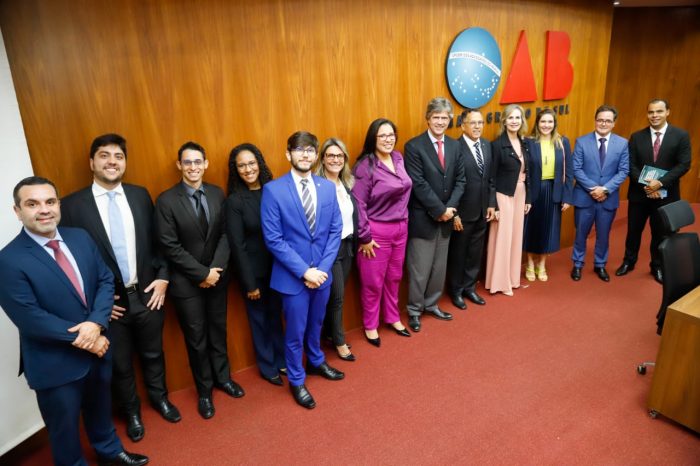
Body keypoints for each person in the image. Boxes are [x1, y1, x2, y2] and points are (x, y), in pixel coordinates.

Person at [0, 176, 148, 466]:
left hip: (99, 349)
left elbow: (106, 281)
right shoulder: (8, 260)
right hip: (54, 363)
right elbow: (29, 317)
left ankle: (109, 451)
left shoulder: (79, 237)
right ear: (17, 211)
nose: (44, 209)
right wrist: (88, 338)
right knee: (64, 429)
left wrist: (95, 324)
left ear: (58, 205)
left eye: (50, 201)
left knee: (100, 410)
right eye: (32, 204)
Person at [60, 134, 179, 442]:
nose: (112, 161)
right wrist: (95, 305)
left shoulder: (141, 195)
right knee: (120, 363)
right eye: (104, 155)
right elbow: (69, 263)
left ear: (125, 162)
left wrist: (163, 278)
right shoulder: (71, 206)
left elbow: (160, 243)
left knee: (154, 354)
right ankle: (132, 413)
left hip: (148, 294)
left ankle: (160, 398)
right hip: (109, 304)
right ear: (92, 162)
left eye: (118, 156)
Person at [155, 141, 244, 420]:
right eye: (187, 162)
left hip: (217, 278)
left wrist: (214, 270)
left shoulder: (218, 194)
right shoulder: (166, 200)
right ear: (180, 166)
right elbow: (169, 246)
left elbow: (226, 235)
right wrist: (201, 273)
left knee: (218, 330)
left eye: (198, 162)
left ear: (205, 164)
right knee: (197, 339)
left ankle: (223, 378)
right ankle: (204, 391)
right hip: (186, 284)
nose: (193, 167)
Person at [261, 131, 344, 409]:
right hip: (292, 278)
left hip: (322, 274)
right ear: (289, 154)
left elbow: (335, 231)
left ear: (315, 155)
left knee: (317, 325)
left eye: (310, 150)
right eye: (299, 149)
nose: (305, 154)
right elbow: (273, 239)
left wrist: (321, 269)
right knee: (295, 332)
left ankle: (317, 362)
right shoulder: (273, 190)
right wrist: (304, 272)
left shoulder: (327, 187)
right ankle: (296, 380)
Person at [225, 143, 286, 385]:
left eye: (251, 163)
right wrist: (249, 284)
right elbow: (237, 246)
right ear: (236, 170)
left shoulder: (274, 191)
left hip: (280, 268)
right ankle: (267, 365)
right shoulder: (234, 202)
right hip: (254, 274)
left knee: (278, 316)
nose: (248, 169)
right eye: (241, 165)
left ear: (259, 163)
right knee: (260, 320)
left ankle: (282, 360)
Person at [404, 97, 465, 332]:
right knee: (419, 269)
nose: (440, 121)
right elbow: (417, 183)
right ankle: (414, 310)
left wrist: (449, 209)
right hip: (424, 218)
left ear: (450, 120)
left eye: (444, 117)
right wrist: (439, 210)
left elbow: (461, 180)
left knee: (439, 267)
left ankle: (432, 304)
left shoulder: (454, 145)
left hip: (447, 217)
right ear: (427, 119)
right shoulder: (414, 146)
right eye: (436, 117)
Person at [615, 99, 691, 283]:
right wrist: (647, 186)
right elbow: (630, 166)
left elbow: (684, 164)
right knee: (633, 231)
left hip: (666, 195)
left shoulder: (680, 136)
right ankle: (628, 262)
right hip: (640, 195)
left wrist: (661, 183)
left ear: (668, 112)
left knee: (660, 233)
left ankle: (657, 266)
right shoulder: (636, 137)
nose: (654, 115)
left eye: (658, 111)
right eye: (651, 112)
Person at [352, 119, 412, 346]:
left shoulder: (398, 157)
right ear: (373, 139)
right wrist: (365, 237)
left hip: (401, 228)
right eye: (382, 136)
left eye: (391, 135)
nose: (388, 139)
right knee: (372, 282)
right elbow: (358, 204)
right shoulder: (365, 166)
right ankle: (370, 325)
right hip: (376, 232)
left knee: (394, 277)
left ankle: (393, 317)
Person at [571, 105, 629, 282]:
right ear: (595, 120)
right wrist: (594, 188)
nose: (603, 123)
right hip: (584, 197)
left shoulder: (622, 143)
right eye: (600, 120)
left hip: (608, 198)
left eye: (608, 121)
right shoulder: (581, 141)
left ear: (613, 123)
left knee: (604, 234)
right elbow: (576, 168)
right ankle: (578, 264)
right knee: (581, 233)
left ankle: (600, 265)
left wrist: (605, 189)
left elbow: (623, 170)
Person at [313, 138, 357, 360]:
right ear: (322, 159)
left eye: (339, 156)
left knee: (338, 295)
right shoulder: (317, 185)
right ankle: (340, 342)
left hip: (348, 244)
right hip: (330, 249)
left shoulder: (346, 183)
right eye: (330, 155)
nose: (335, 160)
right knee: (337, 297)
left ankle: (330, 335)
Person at [447, 108, 495, 309]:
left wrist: (492, 203)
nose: (477, 127)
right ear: (462, 125)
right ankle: (456, 291)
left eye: (480, 122)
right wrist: (454, 213)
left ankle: (469, 288)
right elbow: (450, 184)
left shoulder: (486, 145)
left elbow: (490, 179)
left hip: (483, 210)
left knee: (475, 252)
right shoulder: (455, 148)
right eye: (473, 123)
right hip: (462, 212)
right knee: (458, 254)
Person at [485, 104, 532, 296]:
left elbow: (527, 173)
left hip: (520, 195)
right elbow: (491, 177)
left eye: (518, 118)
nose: (514, 121)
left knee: (515, 237)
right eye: (510, 118)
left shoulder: (524, 142)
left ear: (522, 121)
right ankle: (499, 282)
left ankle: (512, 279)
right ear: (504, 121)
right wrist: (493, 204)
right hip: (503, 196)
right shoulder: (497, 145)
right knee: (502, 239)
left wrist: (528, 197)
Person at [523, 109, 573, 282]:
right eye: (543, 122)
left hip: (554, 191)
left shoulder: (562, 142)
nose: (546, 125)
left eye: (550, 122)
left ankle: (541, 264)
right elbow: (526, 171)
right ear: (537, 123)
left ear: (554, 124)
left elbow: (569, 171)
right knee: (531, 228)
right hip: (534, 191)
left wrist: (567, 197)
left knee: (547, 230)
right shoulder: (529, 142)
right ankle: (529, 263)